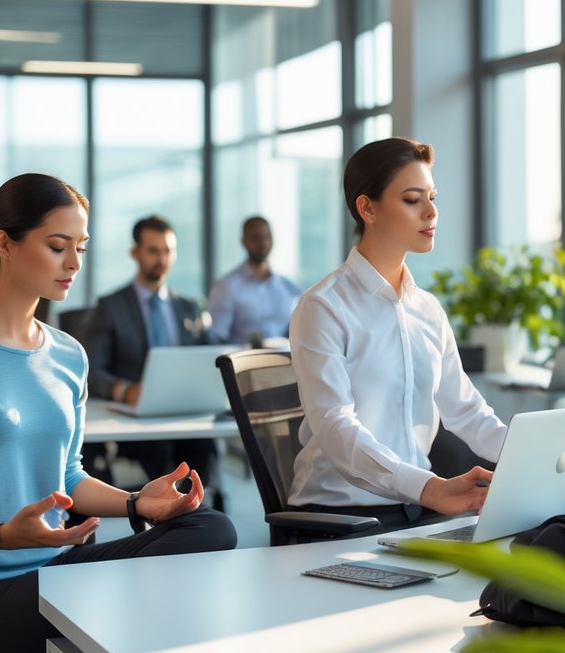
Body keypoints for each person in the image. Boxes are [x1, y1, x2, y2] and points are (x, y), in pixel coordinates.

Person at [0, 174, 236, 653]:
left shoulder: (68, 355)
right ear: (5, 243)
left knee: (211, 527)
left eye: (81, 248)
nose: (73, 264)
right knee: (139, 636)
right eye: (57, 246)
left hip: (51, 573)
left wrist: (136, 502)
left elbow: (67, 478)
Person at [288, 137, 507, 534]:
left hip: (418, 512)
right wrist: (427, 488)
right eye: (411, 199)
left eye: (432, 197)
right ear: (367, 207)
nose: (431, 212)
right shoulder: (322, 307)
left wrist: (532, 457)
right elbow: (336, 427)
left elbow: (466, 410)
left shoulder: (427, 310)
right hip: (338, 519)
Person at [81, 216, 221, 504]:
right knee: (160, 455)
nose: (162, 259)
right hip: (136, 422)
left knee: (204, 449)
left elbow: (213, 358)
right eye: (153, 250)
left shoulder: (189, 308)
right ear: (136, 253)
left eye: (168, 251)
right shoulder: (111, 306)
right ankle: (171, 519)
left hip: (184, 414)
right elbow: (92, 369)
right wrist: (124, 390)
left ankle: (192, 515)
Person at [207, 216, 302, 345]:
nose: (262, 243)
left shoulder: (290, 288)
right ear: (243, 241)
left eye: (266, 237)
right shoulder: (226, 287)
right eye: (255, 238)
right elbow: (218, 337)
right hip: (244, 362)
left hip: (285, 361)